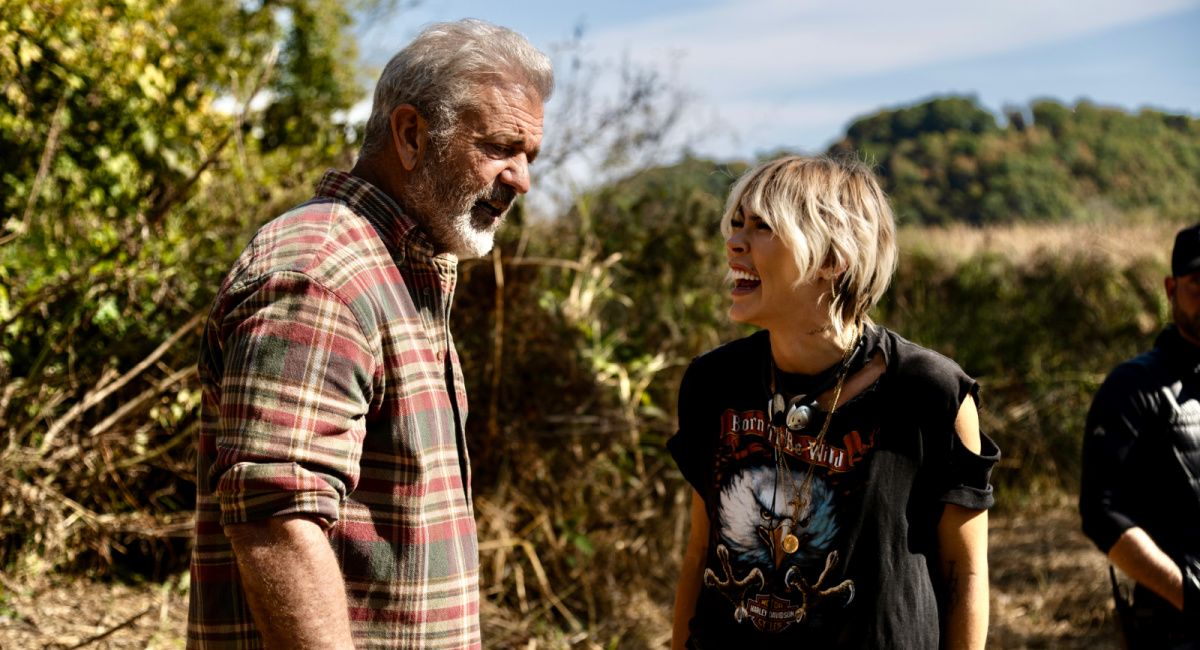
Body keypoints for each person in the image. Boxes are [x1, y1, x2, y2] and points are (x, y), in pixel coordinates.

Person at [187, 19, 551, 649]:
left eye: (529, 157)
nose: (520, 178)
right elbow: (277, 520)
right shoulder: (325, 274)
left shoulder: (395, 273)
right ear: (411, 134)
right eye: (499, 147)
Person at [668, 155, 1000, 648]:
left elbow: (964, 574)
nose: (733, 242)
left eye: (762, 227)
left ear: (832, 258)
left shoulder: (928, 390)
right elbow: (700, 554)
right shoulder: (714, 381)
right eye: (735, 224)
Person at [1080, 223, 1200, 648]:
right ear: (1171, 288)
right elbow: (1101, 512)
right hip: (1174, 629)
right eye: (1197, 283)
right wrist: (1189, 595)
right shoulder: (1132, 387)